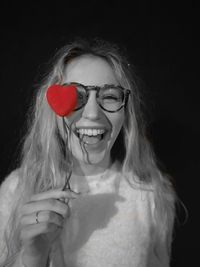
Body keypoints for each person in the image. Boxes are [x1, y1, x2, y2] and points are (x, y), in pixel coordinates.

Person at [0, 38, 177, 267]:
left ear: (126, 113)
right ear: (52, 111)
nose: (92, 113)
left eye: (110, 96)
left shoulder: (152, 194)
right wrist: (33, 256)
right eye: (76, 96)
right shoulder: (16, 191)